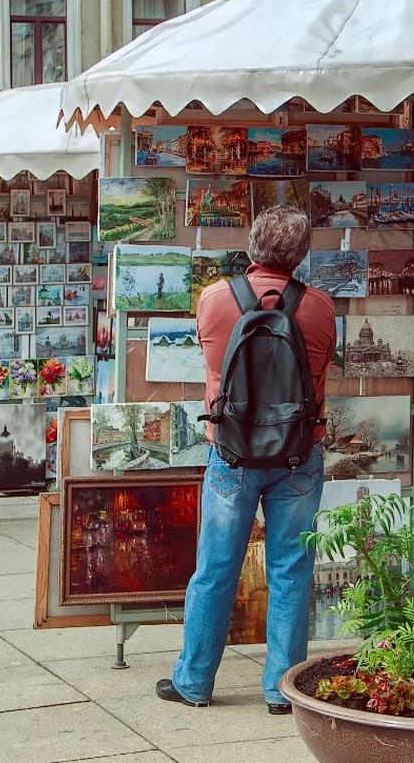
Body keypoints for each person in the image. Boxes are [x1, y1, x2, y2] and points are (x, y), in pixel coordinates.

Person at [158, 206, 336, 715]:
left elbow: (212, 363)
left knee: (214, 567)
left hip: (231, 453)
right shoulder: (320, 308)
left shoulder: (215, 299)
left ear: (252, 244)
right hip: (299, 454)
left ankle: (193, 681)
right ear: (301, 255)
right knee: (290, 568)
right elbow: (320, 373)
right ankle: (281, 689)